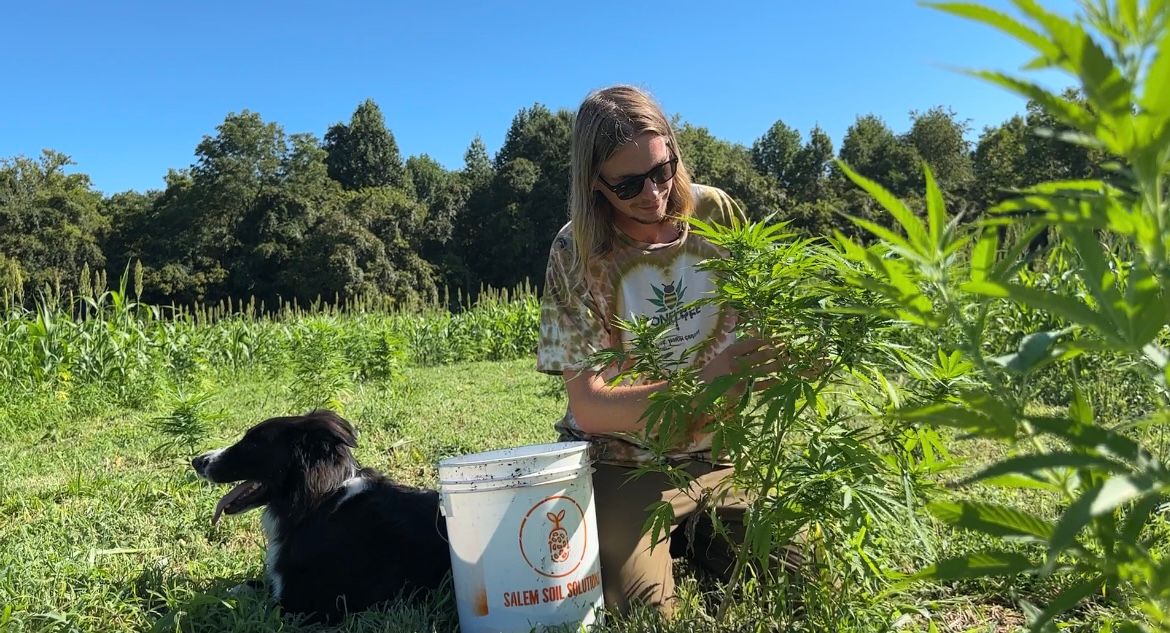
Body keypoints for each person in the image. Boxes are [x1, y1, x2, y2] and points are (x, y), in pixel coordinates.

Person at [536, 85, 785, 618]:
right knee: (648, 612)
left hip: (718, 457)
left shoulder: (716, 214)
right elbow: (590, 406)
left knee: (803, 575)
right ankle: (675, 539)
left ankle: (696, 535)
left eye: (662, 170)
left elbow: (763, 323)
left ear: (673, 149)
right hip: (622, 462)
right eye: (628, 184)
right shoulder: (575, 251)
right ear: (594, 184)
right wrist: (701, 384)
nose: (653, 194)